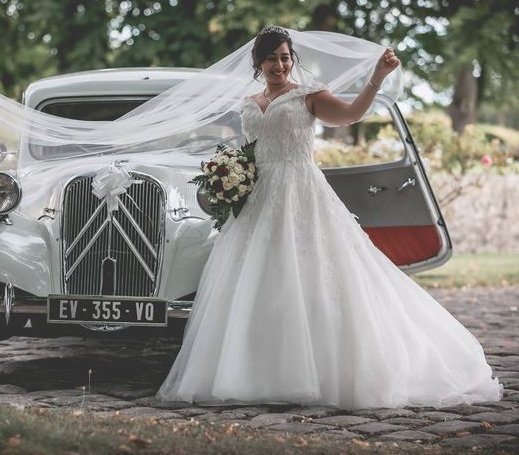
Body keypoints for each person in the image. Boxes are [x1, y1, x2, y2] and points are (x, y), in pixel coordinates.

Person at [155, 26, 503, 409]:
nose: (280, 64)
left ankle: (324, 372)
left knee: (313, 273)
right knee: (255, 279)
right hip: (257, 199)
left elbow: (352, 115)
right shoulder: (249, 103)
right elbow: (250, 151)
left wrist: (376, 79)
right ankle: (254, 372)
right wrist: (230, 175)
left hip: (301, 192)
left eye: (285, 57)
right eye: (271, 58)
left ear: (292, 60)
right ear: (258, 62)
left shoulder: (308, 95)